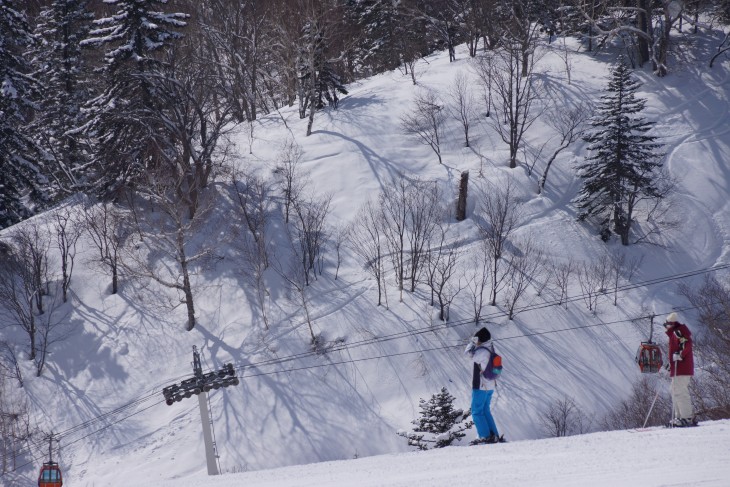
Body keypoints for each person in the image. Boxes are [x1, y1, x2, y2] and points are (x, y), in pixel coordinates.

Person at [465, 326, 503, 443]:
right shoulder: (491, 348)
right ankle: (494, 434)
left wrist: (472, 342)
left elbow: (467, 354)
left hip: (481, 387)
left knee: (476, 412)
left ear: (480, 339)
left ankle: (485, 437)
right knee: (485, 410)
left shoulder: (481, 352)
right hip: (490, 386)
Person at [664, 312, 696, 427]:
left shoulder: (678, 331)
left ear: (671, 323)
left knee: (680, 391)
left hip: (683, 368)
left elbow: (687, 343)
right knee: (674, 390)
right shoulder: (674, 333)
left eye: (666, 324)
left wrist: (680, 354)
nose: (666, 327)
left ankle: (686, 417)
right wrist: (671, 364)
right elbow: (676, 350)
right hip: (678, 367)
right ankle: (678, 416)